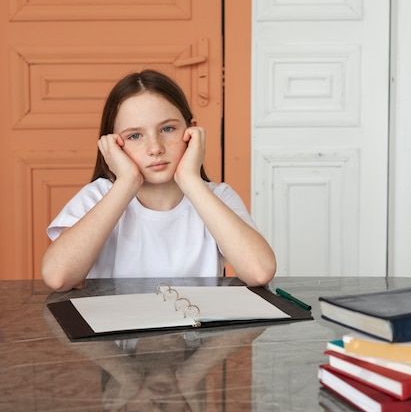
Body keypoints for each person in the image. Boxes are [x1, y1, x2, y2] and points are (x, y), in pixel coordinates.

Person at [42, 69, 276, 292]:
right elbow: (58, 277)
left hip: (195, 331)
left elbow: (259, 272)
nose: (155, 148)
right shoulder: (97, 197)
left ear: (191, 132)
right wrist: (126, 182)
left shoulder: (218, 197)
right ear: (112, 144)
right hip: (120, 329)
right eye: (134, 136)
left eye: (167, 129)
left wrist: (190, 179)